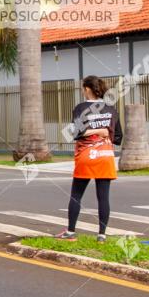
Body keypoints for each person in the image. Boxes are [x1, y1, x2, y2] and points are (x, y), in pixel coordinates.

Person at [56, 75, 123, 243]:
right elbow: (118, 137)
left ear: (87, 89)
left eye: (82, 88)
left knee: (76, 195)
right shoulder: (111, 109)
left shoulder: (80, 109)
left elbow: (75, 133)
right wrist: (101, 131)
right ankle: (102, 235)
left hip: (85, 157)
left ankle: (71, 232)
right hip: (105, 157)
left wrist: (90, 131)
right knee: (103, 197)